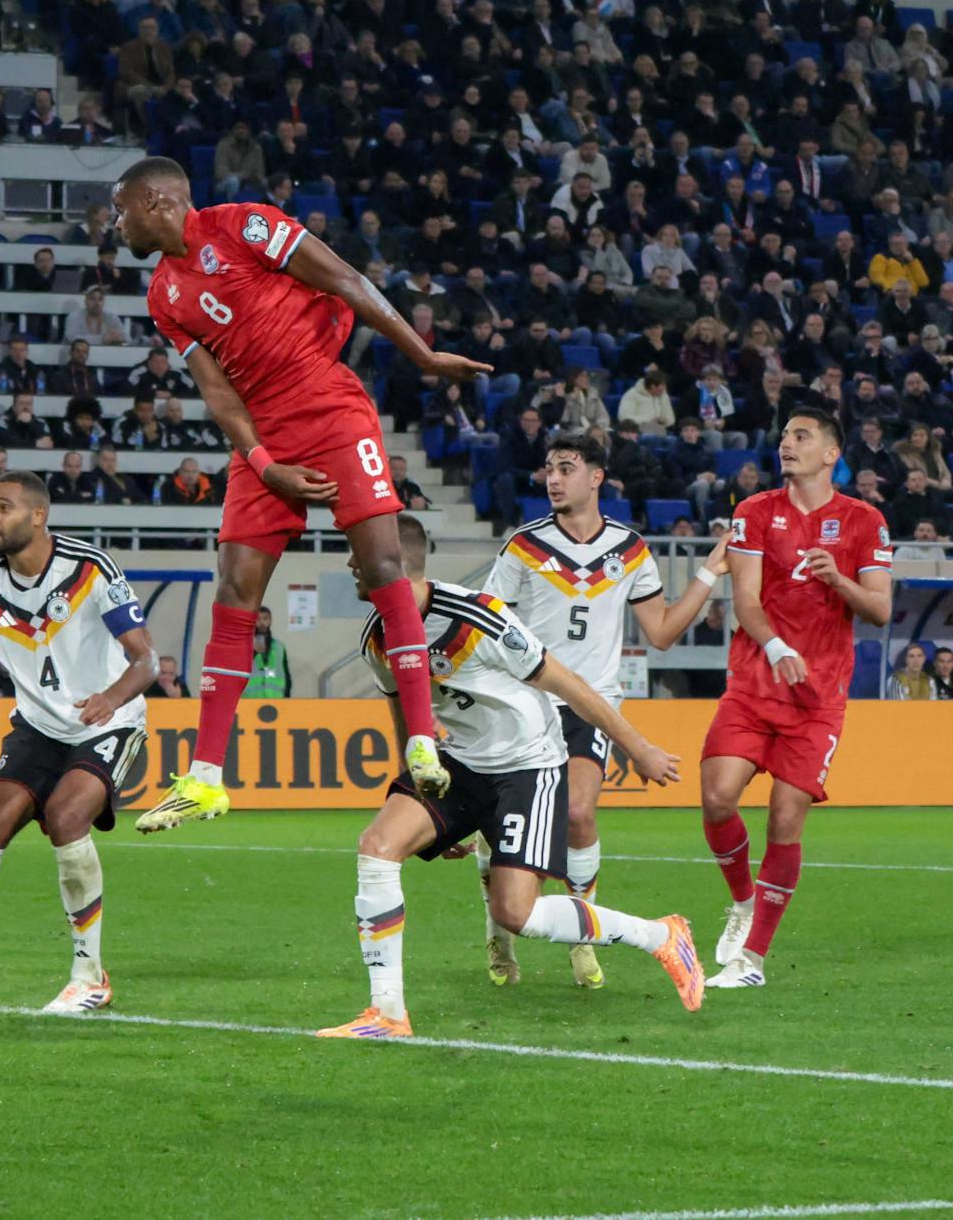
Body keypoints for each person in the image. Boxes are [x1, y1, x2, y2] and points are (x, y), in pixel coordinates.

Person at [113, 156, 489, 830]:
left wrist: (422, 355)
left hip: (327, 402)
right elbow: (216, 392)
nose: (116, 225)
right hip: (263, 431)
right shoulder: (162, 294)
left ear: (154, 201)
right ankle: (204, 780)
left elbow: (345, 280)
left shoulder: (244, 226)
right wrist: (263, 463)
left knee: (382, 568)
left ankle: (424, 741)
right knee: (234, 586)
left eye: (120, 210)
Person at [317, 516, 701, 1040]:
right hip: (460, 764)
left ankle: (660, 935)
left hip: (527, 766)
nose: (349, 563)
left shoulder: (478, 619)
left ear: (390, 561)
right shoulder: (378, 638)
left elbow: (570, 684)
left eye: (356, 553)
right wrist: (424, 789)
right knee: (378, 845)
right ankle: (387, 1012)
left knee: (515, 913)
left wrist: (639, 748)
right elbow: (405, 715)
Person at [482, 435, 731, 988]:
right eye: (548, 469)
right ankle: (499, 936)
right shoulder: (523, 546)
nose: (553, 479)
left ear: (597, 477)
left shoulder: (630, 549)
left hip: (588, 704)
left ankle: (581, 935)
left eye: (566, 468)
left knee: (577, 815)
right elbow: (491, 626)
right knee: (499, 826)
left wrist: (711, 574)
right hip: (526, 699)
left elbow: (662, 633)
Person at [0, 472, 156, 1015]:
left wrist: (110, 698)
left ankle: (89, 976)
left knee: (68, 817)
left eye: (3, 508)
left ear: (39, 515)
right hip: (39, 725)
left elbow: (147, 660)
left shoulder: (91, 569)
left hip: (108, 722)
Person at [701, 408, 893, 990]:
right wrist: (779, 646)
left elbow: (880, 611)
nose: (787, 443)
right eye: (784, 435)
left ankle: (752, 960)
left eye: (801, 436)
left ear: (831, 453)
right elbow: (746, 599)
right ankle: (742, 902)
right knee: (716, 797)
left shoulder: (865, 521)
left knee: (786, 817)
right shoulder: (754, 512)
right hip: (755, 681)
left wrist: (838, 579)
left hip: (819, 696)